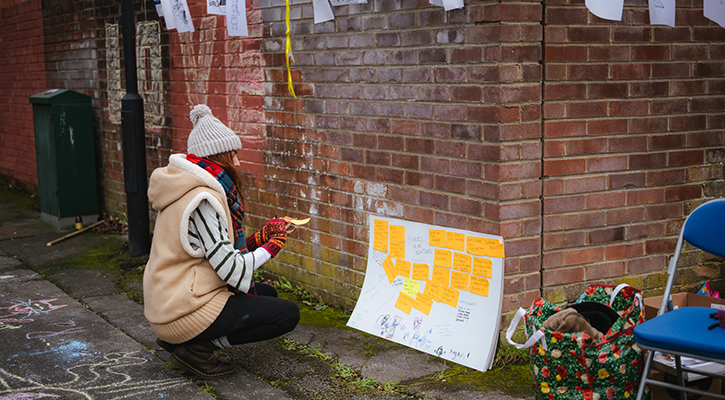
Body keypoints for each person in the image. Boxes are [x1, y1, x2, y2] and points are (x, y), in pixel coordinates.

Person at [143, 104, 300, 379]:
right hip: (179, 309)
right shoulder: (203, 200)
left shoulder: (188, 186)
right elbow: (232, 269)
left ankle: (187, 341)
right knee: (287, 314)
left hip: (174, 297)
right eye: (232, 155)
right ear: (216, 158)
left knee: (267, 296)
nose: (238, 163)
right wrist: (271, 247)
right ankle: (195, 346)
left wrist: (262, 237)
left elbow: (219, 250)